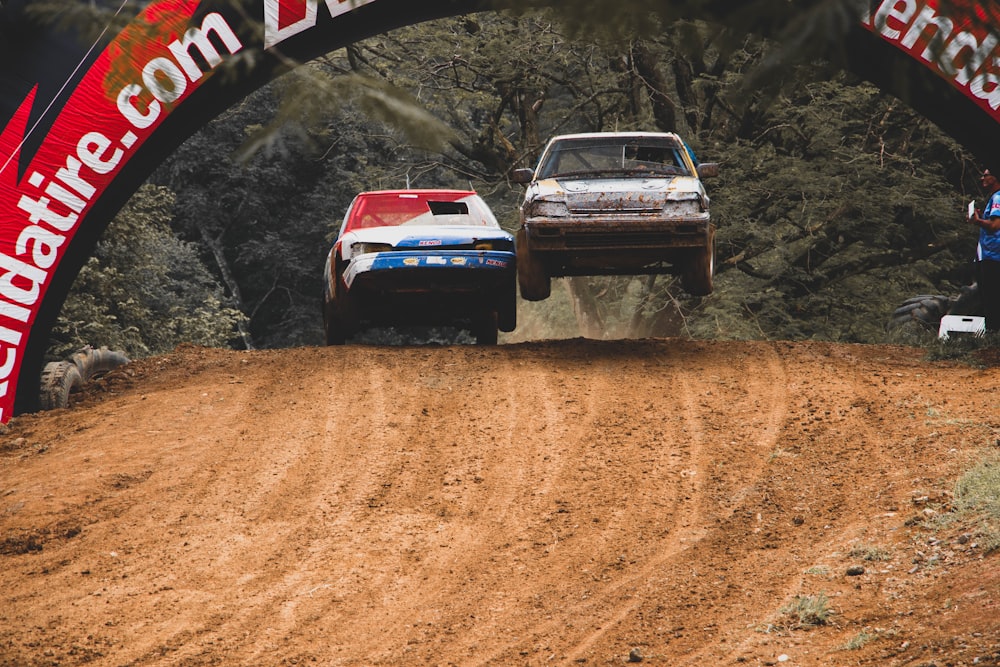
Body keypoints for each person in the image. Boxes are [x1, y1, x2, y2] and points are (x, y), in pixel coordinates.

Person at [969, 168, 1000, 331]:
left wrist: (978, 221)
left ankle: (993, 333)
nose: (982, 179)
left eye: (986, 175)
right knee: (987, 296)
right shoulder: (994, 198)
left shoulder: (998, 197)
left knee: (991, 296)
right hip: (988, 254)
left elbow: (995, 225)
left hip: (993, 255)